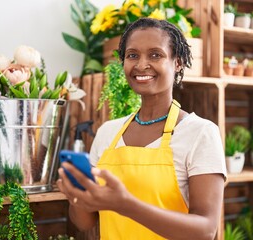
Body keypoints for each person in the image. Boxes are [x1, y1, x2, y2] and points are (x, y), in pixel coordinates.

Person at [57, 17, 227, 240]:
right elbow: (85, 222)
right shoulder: (108, 132)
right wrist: (77, 195)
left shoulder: (200, 133)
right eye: (132, 55)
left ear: (178, 63)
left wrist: (126, 205)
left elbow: (205, 230)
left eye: (155, 55)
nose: (141, 65)